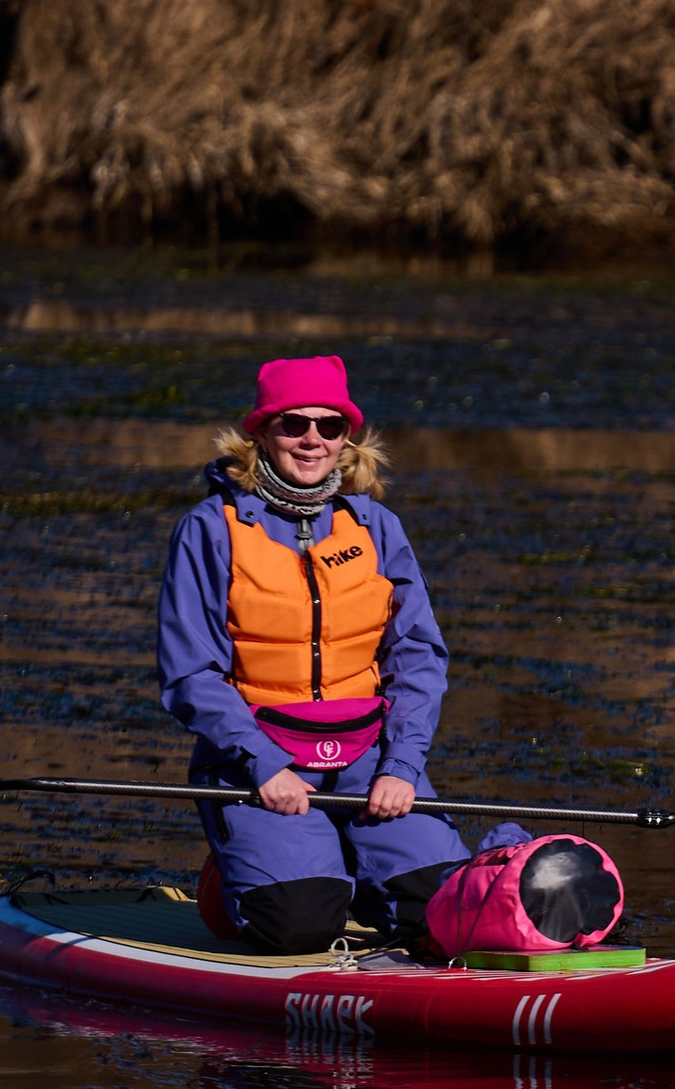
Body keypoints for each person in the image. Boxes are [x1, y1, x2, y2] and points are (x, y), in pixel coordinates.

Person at [157, 353, 487, 956]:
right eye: (294, 424)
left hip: (370, 757)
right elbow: (190, 674)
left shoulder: (378, 527)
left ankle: (353, 870)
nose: (312, 439)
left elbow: (419, 658)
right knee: (299, 924)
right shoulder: (208, 529)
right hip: (259, 763)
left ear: (346, 439)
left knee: (445, 910)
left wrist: (402, 767)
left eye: (329, 426)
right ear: (260, 433)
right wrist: (262, 766)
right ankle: (240, 876)